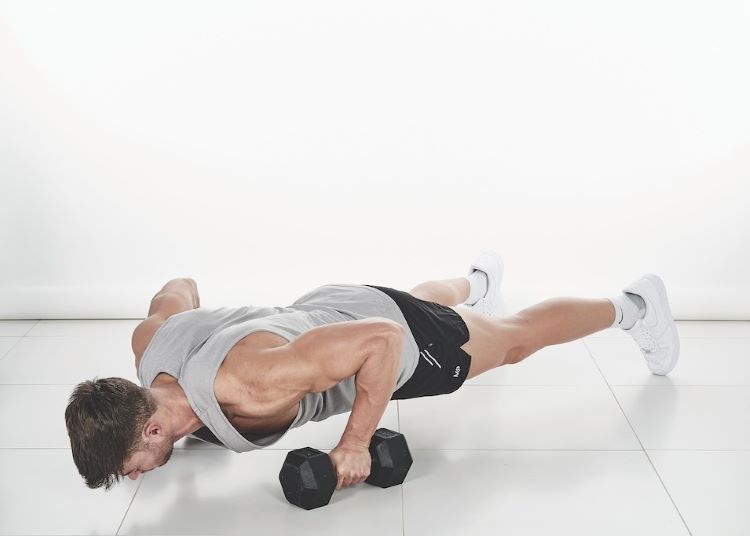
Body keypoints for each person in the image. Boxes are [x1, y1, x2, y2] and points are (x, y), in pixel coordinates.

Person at [64, 251, 680, 491]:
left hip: (391, 335)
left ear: (147, 430)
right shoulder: (152, 346)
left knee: (514, 341)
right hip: (326, 309)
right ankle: (479, 281)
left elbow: (383, 342)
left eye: (128, 468)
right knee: (424, 300)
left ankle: (635, 306)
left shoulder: (250, 385)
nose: (131, 477)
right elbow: (180, 285)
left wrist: (354, 442)